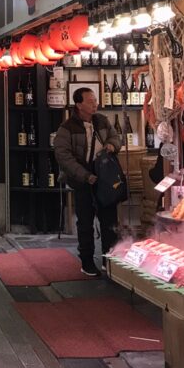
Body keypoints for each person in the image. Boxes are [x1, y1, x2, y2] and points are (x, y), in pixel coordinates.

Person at [54, 87, 123, 276]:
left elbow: (116, 137)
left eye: (95, 100)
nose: (95, 104)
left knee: (109, 221)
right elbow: (63, 155)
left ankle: (109, 260)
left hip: (104, 177)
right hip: (81, 179)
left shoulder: (101, 120)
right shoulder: (67, 128)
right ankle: (87, 261)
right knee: (85, 222)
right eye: (90, 101)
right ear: (79, 104)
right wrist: (84, 175)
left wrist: (112, 145)